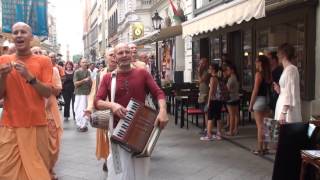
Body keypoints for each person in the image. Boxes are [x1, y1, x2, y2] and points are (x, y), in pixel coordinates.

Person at [95, 43, 169, 180]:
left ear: (131, 54)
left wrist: (163, 110)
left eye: (126, 52)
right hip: (118, 132)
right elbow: (97, 101)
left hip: (141, 131)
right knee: (119, 175)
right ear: (115, 57)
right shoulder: (107, 78)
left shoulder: (142, 73)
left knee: (141, 173)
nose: (124, 55)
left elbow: (158, 93)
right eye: (120, 53)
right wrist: (112, 105)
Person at [0, 22, 53, 180]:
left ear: (31, 37)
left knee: (38, 173)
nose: (19, 35)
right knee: (6, 172)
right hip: (10, 125)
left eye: (23, 32)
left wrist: (29, 77)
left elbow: (48, 92)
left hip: (36, 125)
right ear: (12, 37)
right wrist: (2, 76)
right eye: (15, 33)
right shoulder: (3, 59)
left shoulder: (44, 61)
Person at [85, 48, 117, 172]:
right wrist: (89, 108)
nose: (114, 57)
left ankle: (118, 160)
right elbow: (93, 93)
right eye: (111, 55)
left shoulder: (125, 71)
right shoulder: (100, 74)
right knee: (105, 138)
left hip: (120, 110)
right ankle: (108, 159)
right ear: (105, 58)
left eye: (115, 54)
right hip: (104, 110)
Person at [249, 55, 272, 155]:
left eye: (256, 61)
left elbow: (255, 90)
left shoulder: (258, 74)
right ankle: (266, 148)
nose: (255, 63)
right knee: (266, 125)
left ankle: (260, 149)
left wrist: (251, 104)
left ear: (260, 63)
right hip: (267, 101)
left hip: (259, 101)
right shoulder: (269, 74)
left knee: (260, 126)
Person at [274, 43, 302, 123]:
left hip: (288, 111)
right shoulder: (287, 69)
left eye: (279, 53)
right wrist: (280, 90)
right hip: (284, 107)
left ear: (284, 55)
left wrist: (284, 112)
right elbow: (288, 91)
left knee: (286, 133)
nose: (277, 56)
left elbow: (290, 93)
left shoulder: (291, 70)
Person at [200, 64, 223, 141]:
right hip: (219, 100)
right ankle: (219, 133)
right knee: (218, 117)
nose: (208, 70)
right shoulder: (219, 78)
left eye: (210, 68)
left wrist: (209, 101)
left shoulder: (212, 78)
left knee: (210, 117)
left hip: (213, 100)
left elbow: (211, 90)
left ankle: (209, 135)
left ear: (213, 70)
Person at [73, 58, 92, 132]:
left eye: (86, 62)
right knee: (79, 109)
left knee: (86, 109)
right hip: (79, 94)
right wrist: (84, 80)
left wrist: (90, 81)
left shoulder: (88, 72)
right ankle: (80, 124)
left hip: (87, 93)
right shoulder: (77, 72)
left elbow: (90, 83)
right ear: (80, 63)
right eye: (83, 62)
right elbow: (75, 84)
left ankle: (84, 125)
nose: (85, 63)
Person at [225, 63, 240, 136]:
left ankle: (231, 131)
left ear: (232, 70)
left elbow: (227, 89)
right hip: (236, 97)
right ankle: (236, 129)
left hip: (231, 98)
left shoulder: (231, 79)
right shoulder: (236, 77)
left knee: (232, 115)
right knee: (236, 115)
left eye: (228, 70)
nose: (227, 71)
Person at [197, 58, 210, 134]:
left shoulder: (207, 72)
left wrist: (199, 72)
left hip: (205, 93)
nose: (200, 65)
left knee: (206, 112)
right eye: (200, 63)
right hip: (202, 93)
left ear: (206, 63)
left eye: (202, 63)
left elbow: (201, 80)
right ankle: (206, 128)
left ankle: (207, 129)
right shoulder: (203, 72)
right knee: (204, 112)